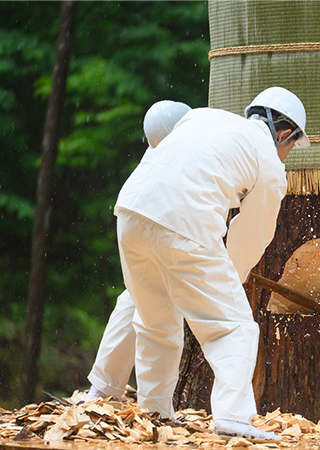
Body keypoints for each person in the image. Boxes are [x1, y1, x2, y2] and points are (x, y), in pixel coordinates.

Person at [114, 87, 309, 441]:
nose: (287, 154)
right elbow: (253, 233)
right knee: (234, 327)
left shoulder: (202, 115)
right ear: (284, 134)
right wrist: (231, 281)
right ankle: (233, 417)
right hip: (184, 225)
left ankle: (153, 413)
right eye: (292, 146)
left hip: (130, 212)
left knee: (156, 321)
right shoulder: (268, 160)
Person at [86, 100, 191, 401]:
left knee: (135, 297)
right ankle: (155, 410)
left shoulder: (156, 149)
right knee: (161, 314)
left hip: (130, 215)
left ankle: (103, 390)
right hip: (161, 223)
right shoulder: (187, 151)